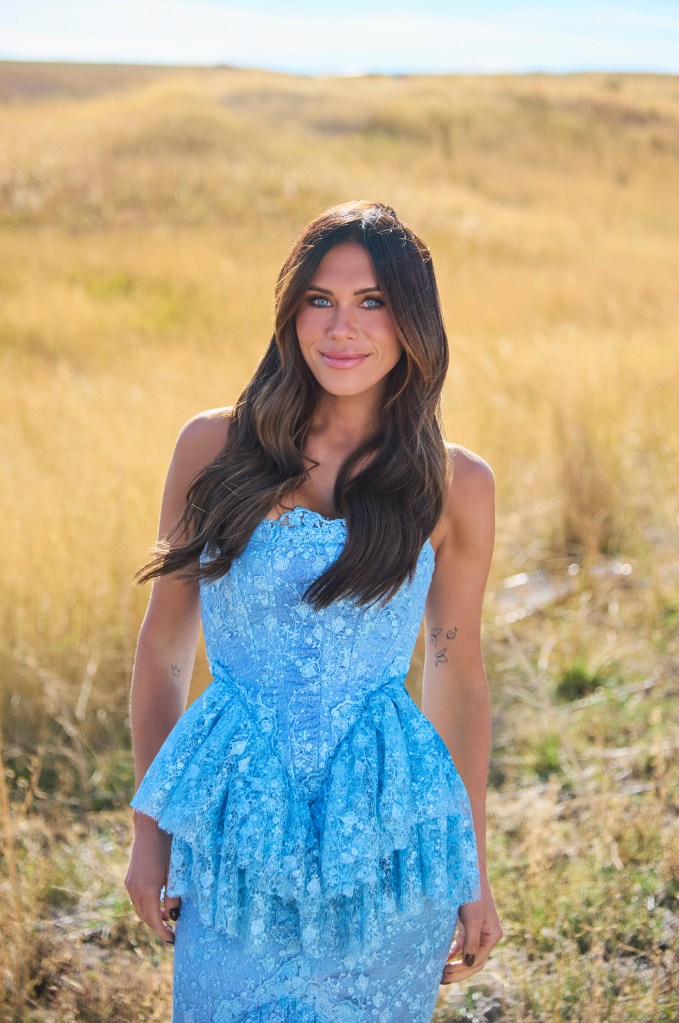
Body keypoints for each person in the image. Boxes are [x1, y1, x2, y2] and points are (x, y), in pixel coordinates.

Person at [125, 199, 503, 1022]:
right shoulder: (213, 448)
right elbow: (162, 655)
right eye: (319, 300)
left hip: (386, 838)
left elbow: (455, 673)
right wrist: (149, 833)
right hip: (234, 837)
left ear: (412, 322)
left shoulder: (455, 482)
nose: (341, 328)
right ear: (291, 311)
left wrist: (469, 869)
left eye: (371, 302)